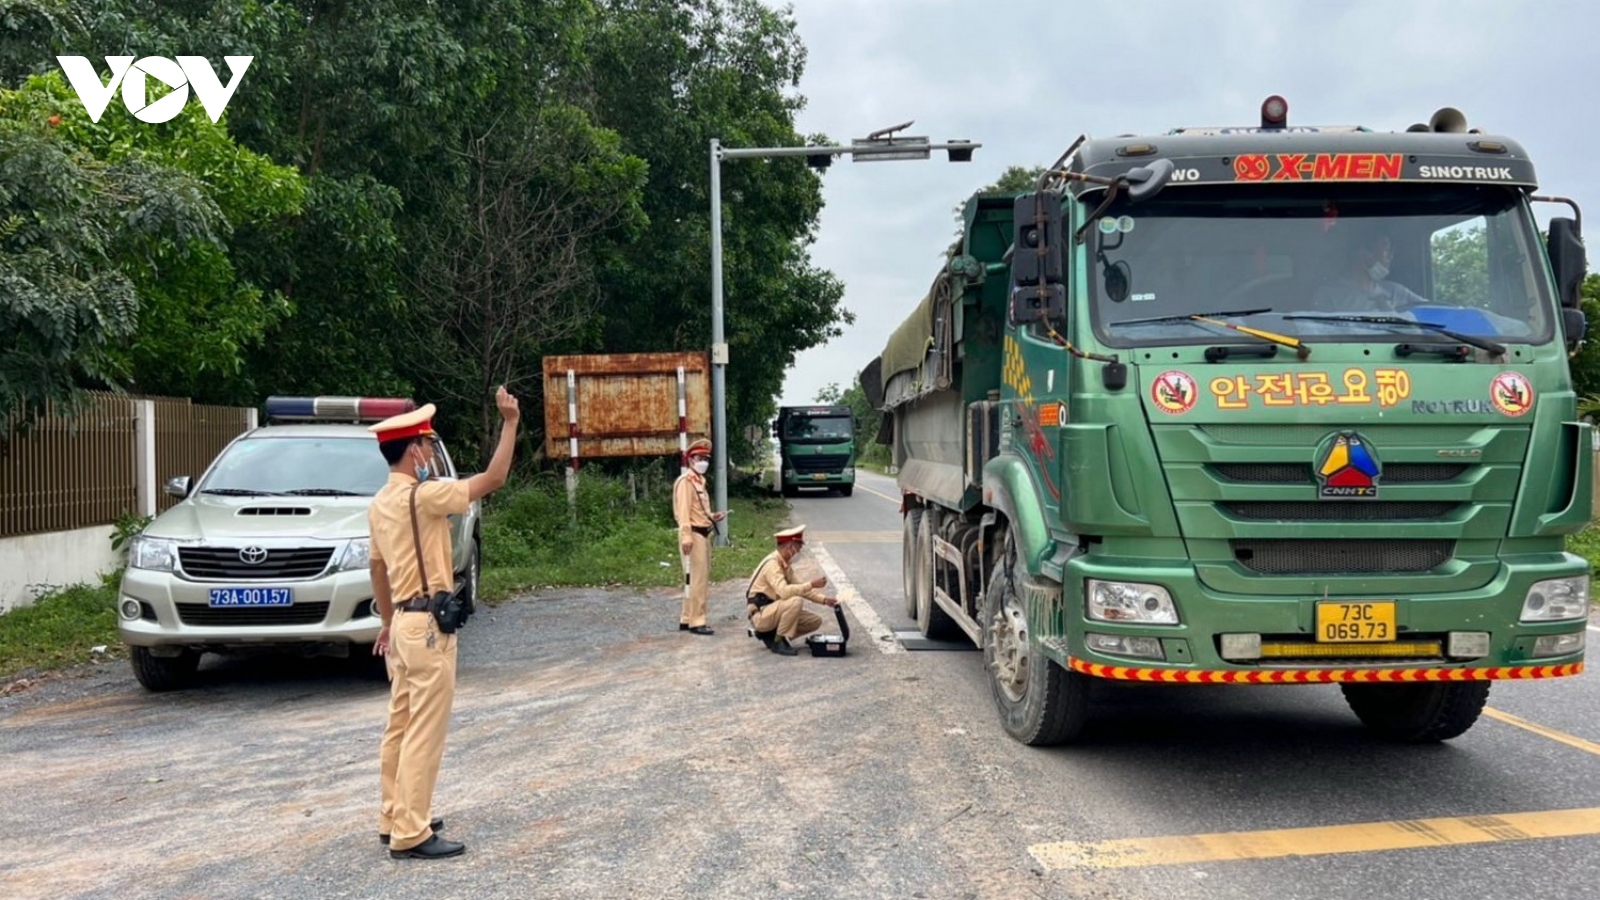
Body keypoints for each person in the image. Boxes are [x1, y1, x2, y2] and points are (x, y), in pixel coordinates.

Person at [366, 386, 520, 860]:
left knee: (400, 725)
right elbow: (492, 479)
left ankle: (394, 813)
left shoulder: (379, 503)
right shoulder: (426, 495)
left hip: (403, 628)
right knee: (424, 731)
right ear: (414, 450)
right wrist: (510, 422)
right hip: (429, 630)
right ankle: (411, 831)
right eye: (429, 445)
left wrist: (387, 622)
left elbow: (377, 569)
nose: (432, 452)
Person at [745, 524, 839, 656]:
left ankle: (770, 633)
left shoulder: (784, 564)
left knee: (814, 621)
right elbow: (784, 591)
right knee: (795, 601)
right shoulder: (772, 565)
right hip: (760, 613)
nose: (798, 552)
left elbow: (800, 588)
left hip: (772, 610)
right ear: (790, 547)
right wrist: (811, 584)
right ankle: (778, 641)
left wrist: (824, 600)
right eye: (798, 548)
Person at [673, 438, 725, 635]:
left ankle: (687, 618)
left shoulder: (700, 481)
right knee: (698, 580)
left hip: (703, 533)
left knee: (693, 578)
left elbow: (697, 510)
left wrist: (712, 517)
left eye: (706, 458)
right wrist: (686, 537)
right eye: (700, 457)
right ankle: (697, 621)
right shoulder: (685, 482)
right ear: (690, 459)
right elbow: (683, 513)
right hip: (693, 535)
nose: (704, 461)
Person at [1313, 233, 1431, 314]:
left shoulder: (1396, 291)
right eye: (1386, 249)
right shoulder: (1329, 293)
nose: (1390, 257)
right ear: (1364, 253)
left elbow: (1431, 309)